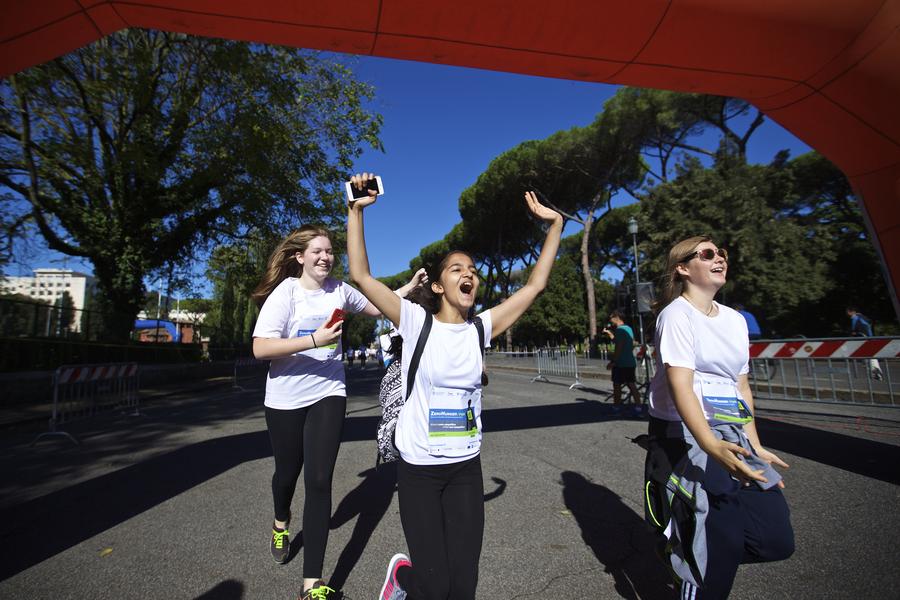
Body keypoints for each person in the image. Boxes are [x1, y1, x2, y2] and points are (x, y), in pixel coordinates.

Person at [346, 173, 563, 600]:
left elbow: (535, 285)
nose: (469, 275)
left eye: (474, 270)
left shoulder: (481, 328)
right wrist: (356, 211)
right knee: (436, 583)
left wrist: (555, 226)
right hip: (419, 470)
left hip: (465, 466)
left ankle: (413, 586)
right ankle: (406, 581)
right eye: (457, 269)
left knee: (463, 585)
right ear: (440, 285)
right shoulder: (414, 322)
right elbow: (361, 275)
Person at [250, 226, 422, 599]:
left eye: (329, 251)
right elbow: (261, 348)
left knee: (319, 480)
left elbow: (378, 306)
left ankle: (312, 584)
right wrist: (314, 339)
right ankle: (281, 521)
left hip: (328, 391)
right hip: (284, 398)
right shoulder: (286, 294)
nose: (326, 257)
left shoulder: (340, 291)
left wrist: (406, 288)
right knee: (287, 474)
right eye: (317, 251)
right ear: (300, 257)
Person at [643, 236, 794, 600]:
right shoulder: (675, 314)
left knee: (776, 540)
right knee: (714, 550)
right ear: (682, 267)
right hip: (685, 435)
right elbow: (682, 384)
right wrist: (709, 444)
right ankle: (697, 561)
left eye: (721, 253)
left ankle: (692, 548)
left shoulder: (735, 320)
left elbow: (741, 387)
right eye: (708, 254)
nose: (719, 258)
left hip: (732, 431)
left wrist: (754, 443)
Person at [604, 310, 642, 413]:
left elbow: (619, 347)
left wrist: (613, 361)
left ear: (617, 317)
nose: (610, 321)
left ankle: (616, 407)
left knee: (617, 386)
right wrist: (609, 333)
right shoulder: (628, 329)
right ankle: (638, 407)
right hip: (630, 361)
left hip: (621, 363)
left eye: (611, 318)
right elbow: (628, 343)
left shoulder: (619, 330)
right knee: (631, 385)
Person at [846, 306, 884, 380]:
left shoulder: (855, 317)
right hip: (869, 338)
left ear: (852, 311)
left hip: (863, 339)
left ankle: (875, 373)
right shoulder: (863, 317)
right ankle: (875, 372)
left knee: (867, 356)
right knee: (870, 356)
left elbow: (854, 329)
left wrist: (853, 333)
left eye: (848, 312)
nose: (847, 313)